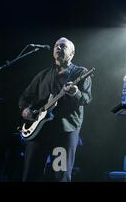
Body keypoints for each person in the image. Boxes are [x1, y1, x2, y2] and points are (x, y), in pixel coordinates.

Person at [19, 37, 92, 181]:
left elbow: (86, 99)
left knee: (60, 176)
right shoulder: (43, 74)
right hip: (39, 133)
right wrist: (25, 111)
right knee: (30, 174)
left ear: (72, 53)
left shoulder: (80, 73)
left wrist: (76, 92)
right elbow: (24, 97)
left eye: (63, 46)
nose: (59, 48)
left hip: (63, 134)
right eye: (56, 46)